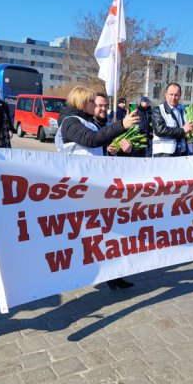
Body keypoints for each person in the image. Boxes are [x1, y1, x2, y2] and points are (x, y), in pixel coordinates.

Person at [56, 86, 139, 290]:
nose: (95, 106)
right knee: (84, 236)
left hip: (95, 187)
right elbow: (90, 140)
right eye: (92, 102)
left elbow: (99, 149)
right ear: (82, 102)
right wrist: (122, 125)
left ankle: (113, 274)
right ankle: (75, 273)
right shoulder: (69, 122)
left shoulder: (87, 122)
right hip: (79, 189)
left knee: (107, 232)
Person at [152, 83, 193, 157]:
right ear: (166, 94)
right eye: (171, 94)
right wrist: (182, 130)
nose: (173, 98)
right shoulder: (158, 109)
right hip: (164, 154)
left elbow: (190, 133)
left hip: (183, 152)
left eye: (176, 95)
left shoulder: (186, 109)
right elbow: (159, 130)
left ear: (180, 95)